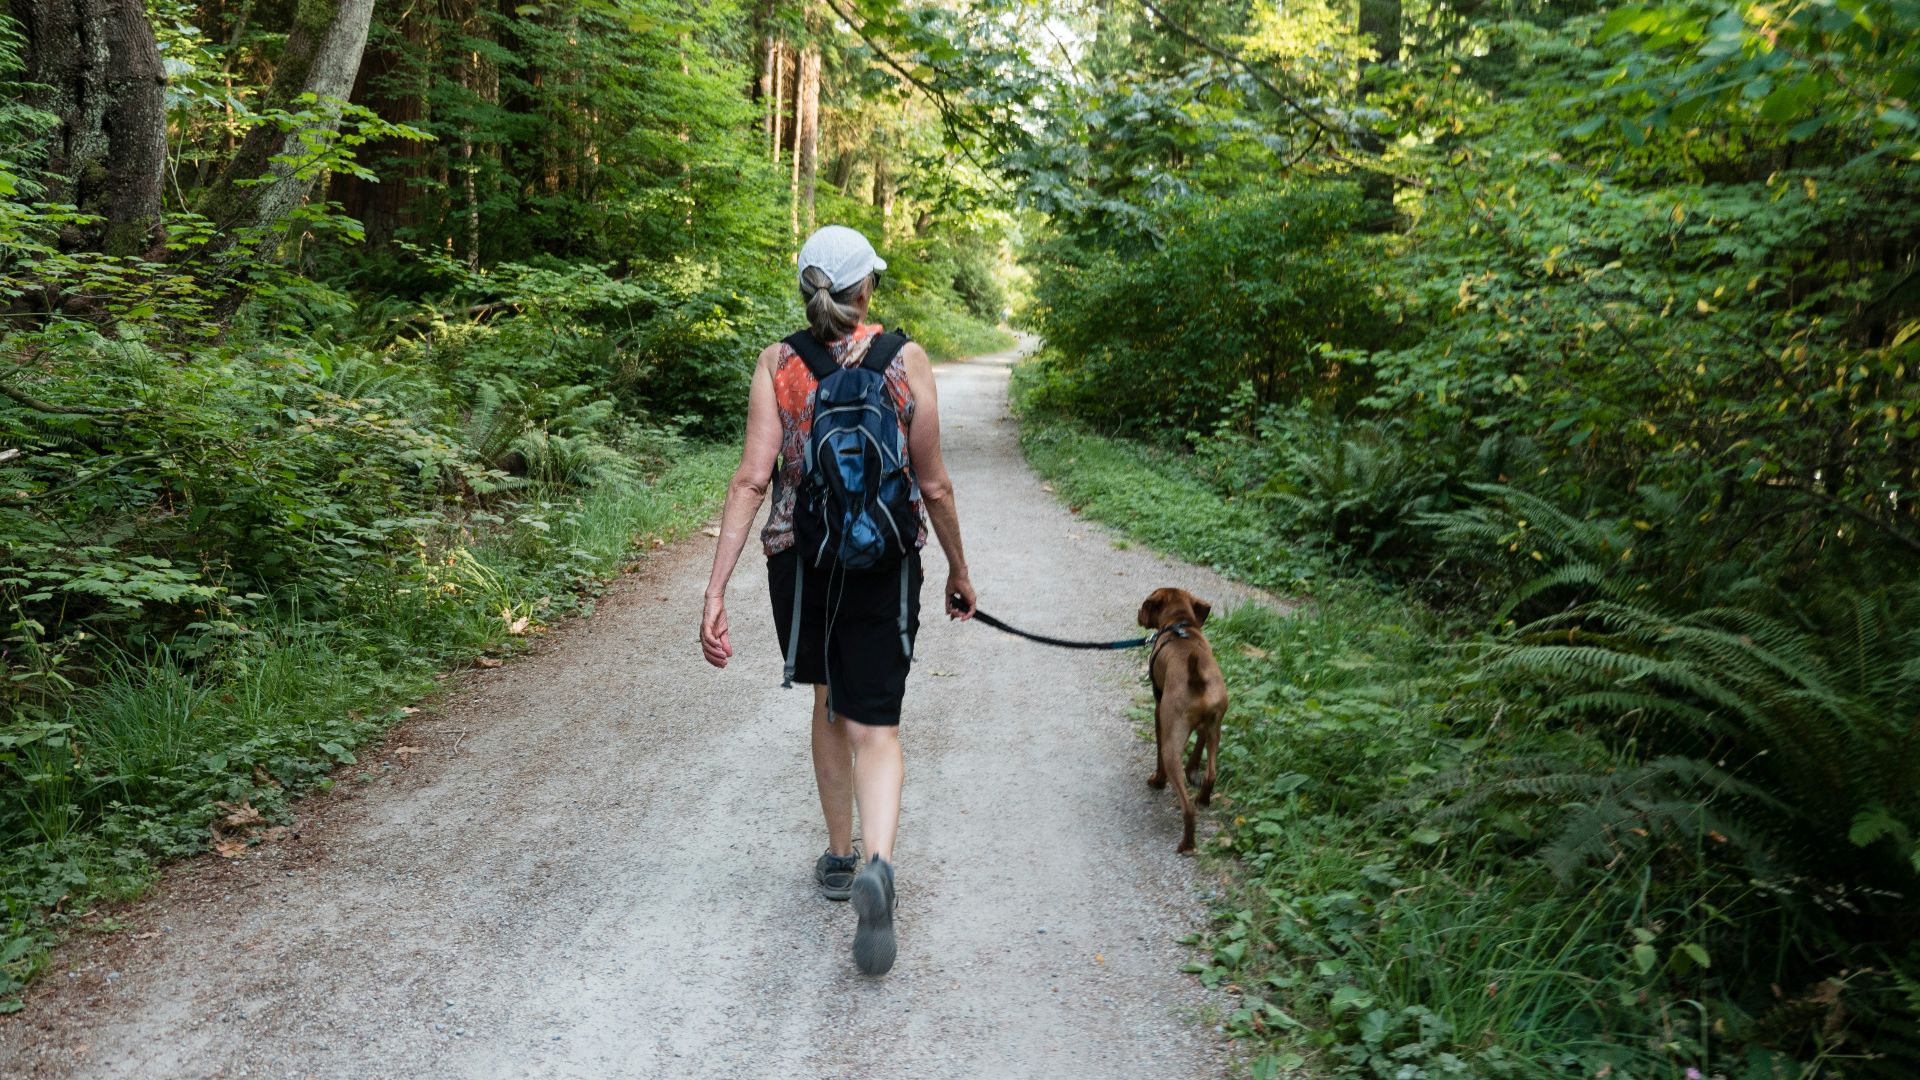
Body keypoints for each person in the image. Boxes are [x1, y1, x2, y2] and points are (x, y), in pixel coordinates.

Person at [699, 224, 976, 976]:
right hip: (885, 562)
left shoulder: (777, 362)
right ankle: (878, 864)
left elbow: (753, 479)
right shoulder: (904, 359)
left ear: (806, 290)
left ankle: (837, 855)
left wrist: (715, 587)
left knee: (827, 699)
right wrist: (958, 569)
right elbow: (935, 483)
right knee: (876, 724)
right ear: (866, 290)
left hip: (804, 562)